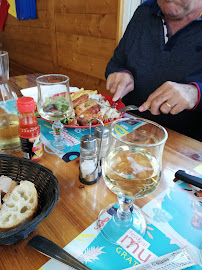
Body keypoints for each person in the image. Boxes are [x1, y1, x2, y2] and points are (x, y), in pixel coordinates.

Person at [105, 0, 202, 141]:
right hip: (129, 130)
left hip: (188, 146)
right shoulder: (144, 11)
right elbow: (116, 63)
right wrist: (122, 73)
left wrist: (195, 94)